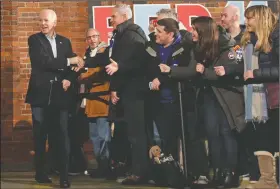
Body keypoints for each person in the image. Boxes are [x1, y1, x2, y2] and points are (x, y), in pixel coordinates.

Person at [160, 16, 245, 188]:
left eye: (194, 29)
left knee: (225, 133)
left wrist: (204, 71)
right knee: (212, 134)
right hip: (208, 96)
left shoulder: (225, 46)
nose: (191, 32)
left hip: (225, 96)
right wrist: (172, 71)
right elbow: (193, 70)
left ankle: (231, 172)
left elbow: (224, 73)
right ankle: (218, 171)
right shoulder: (197, 48)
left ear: (203, 31)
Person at [26, 9, 84, 188]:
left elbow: (75, 67)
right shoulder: (34, 40)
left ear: (54, 22)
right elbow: (43, 62)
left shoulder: (64, 41)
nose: (42, 24)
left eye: (46, 21)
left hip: (60, 95)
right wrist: (69, 62)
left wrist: (69, 77)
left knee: (62, 134)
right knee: (40, 135)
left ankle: (64, 176)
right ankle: (41, 173)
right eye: (40, 20)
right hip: (40, 95)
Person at [105, 4, 149, 184]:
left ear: (123, 16)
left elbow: (136, 63)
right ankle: (134, 169)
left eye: (113, 17)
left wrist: (119, 71)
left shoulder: (132, 35)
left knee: (137, 134)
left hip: (134, 92)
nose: (111, 20)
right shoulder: (123, 35)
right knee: (130, 133)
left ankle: (140, 173)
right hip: (127, 91)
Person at [241, 5, 279, 189]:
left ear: (261, 18)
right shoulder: (255, 40)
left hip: (276, 95)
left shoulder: (276, 37)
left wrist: (256, 73)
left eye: (250, 18)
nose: (246, 22)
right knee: (265, 138)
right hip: (266, 97)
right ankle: (268, 180)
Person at [78, 28, 111, 178]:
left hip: (102, 99)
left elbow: (100, 70)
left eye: (95, 36)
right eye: (89, 37)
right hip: (90, 100)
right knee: (94, 136)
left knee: (104, 135)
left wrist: (85, 72)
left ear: (99, 37)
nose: (92, 40)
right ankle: (100, 166)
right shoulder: (87, 54)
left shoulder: (104, 51)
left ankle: (106, 165)